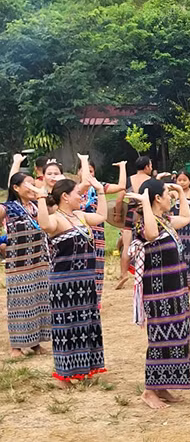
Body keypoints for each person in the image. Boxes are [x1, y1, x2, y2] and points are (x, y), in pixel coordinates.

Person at [36, 165, 107, 387]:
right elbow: (44, 224)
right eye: (78, 193)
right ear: (65, 197)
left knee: (86, 324)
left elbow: (102, 215)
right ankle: (64, 376)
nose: (81, 196)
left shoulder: (79, 215)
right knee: (67, 328)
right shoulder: (56, 219)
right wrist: (40, 198)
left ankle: (84, 369)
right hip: (65, 284)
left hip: (85, 281)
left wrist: (101, 191)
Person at [126, 179, 190, 409]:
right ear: (156, 198)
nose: (170, 198)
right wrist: (145, 203)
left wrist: (181, 193)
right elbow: (152, 235)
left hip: (175, 290)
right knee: (160, 338)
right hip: (159, 293)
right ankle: (149, 391)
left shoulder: (165, 220)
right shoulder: (145, 224)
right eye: (167, 194)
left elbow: (186, 218)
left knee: (176, 336)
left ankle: (162, 384)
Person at [0, 172, 51, 358]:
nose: (32, 187)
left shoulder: (38, 206)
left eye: (33, 183)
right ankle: (16, 347)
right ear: (16, 188)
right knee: (19, 305)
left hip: (39, 262)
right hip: (18, 266)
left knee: (38, 303)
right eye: (28, 184)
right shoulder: (7, 208)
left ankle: (36, 344)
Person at [78, 158, 127, 307]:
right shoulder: (73, 189)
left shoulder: (99, 187)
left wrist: (122, 167)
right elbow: (85, 183)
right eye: (86, 170)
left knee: (98, 266)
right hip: (80, 232)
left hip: (98, 232)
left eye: (92, 171)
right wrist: (84, 161)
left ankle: (96, 301)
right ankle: (82, 300)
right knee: (82, 266)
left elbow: (121, 187)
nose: (89, 174)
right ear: (78, 172)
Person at [117, 156, 155, 289]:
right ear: (146, 167)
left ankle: (123, 274)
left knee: (126, 246)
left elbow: (119, 199)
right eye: (150, 165)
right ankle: (147, 274)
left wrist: (117, 214)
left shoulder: (129, 180)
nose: (151, 167)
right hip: (146, 214)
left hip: (130, 213)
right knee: (148, 245)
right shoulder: (151, 181)